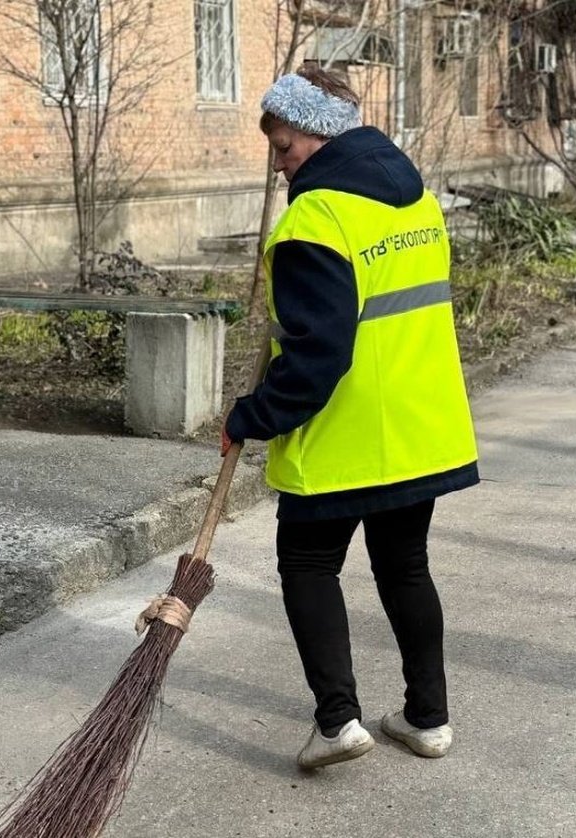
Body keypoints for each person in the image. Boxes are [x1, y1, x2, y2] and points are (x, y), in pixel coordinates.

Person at [222, 66, 481, 769]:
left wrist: (253, 415)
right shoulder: (414, 201)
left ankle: (338, 721)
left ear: (317, 130)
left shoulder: (317, 220)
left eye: (283, 146)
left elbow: (319, 355)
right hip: (421, 431)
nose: (278, 165)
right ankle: (427, 719)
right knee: (405, 568)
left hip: (344, 436)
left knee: (307, 562)